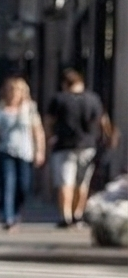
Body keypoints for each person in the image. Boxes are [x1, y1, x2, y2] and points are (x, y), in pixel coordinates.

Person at [46, 67, 107, 227]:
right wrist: (105, 137)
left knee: (65, 183)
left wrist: (49, 137)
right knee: (82, 183)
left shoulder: (58, 99)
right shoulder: (93, 99)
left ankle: (65, 215)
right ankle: (78, 214)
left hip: (64, 146)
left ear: (65, 84)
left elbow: (49, 122)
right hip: (88, 146)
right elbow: (102, 120)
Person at [0, 76, 43, 232]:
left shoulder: (29, 109)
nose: (14, 93)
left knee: (23, 185)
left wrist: (40, 151)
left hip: (25, 152)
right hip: (5, 151)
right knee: (8, 184)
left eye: (17, 90)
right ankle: (8, 217)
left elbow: (38, 132)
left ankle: (16, 211)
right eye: (11, 90)